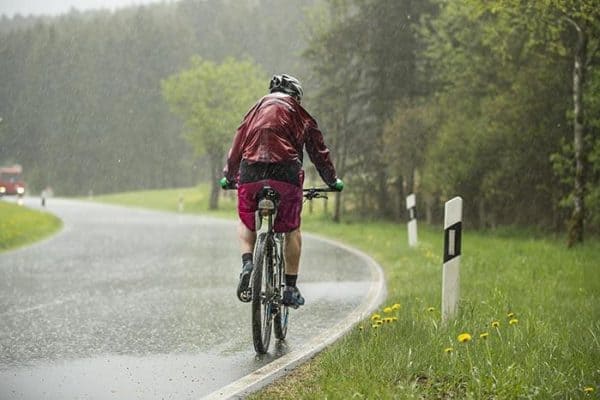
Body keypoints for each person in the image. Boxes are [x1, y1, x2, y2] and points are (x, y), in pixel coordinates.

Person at [220, 74, 344, 308]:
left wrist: (229, 176)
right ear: (296, 96)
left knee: (247, 222)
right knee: (292, 229)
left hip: (251, 172)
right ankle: (290, 287)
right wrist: (332, 180)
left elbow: (237, 146)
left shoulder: (254, 111)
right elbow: (319, 152)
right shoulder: (300, 114)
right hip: (285, 173)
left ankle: (248, 263)